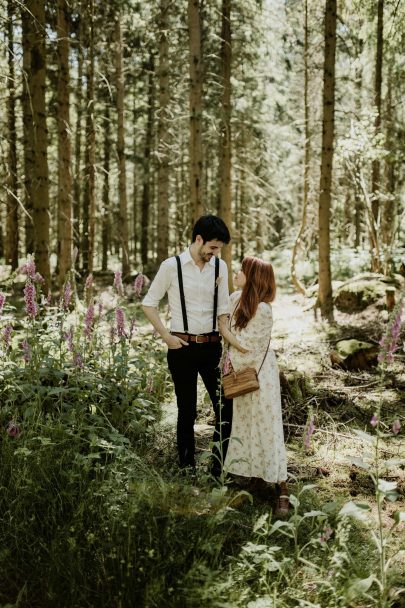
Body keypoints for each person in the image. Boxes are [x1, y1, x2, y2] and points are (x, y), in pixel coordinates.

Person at [142, 215, 232, 476]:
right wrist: (166, 337)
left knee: (225, 408)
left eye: (219, 249)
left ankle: (218, 469)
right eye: (213, 247)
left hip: (213, 347)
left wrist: (230, 345)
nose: (215, 253)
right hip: (181, 347)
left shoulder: (220, 267)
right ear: (199, 239)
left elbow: (224, 310)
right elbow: (149, 303)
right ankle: (186, 468)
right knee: (187, 410)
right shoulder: (172, 266)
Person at [218, 256, 289, 513]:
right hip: (241, 372)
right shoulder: (237, 298)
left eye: (241, 269)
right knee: (245, 422)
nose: (236, 272)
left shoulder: (264, 310)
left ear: (253, 277)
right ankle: (252, 473)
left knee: (267, 426)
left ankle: (282, 486)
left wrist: (224, 329)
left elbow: (246, 345)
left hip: (261, 375)